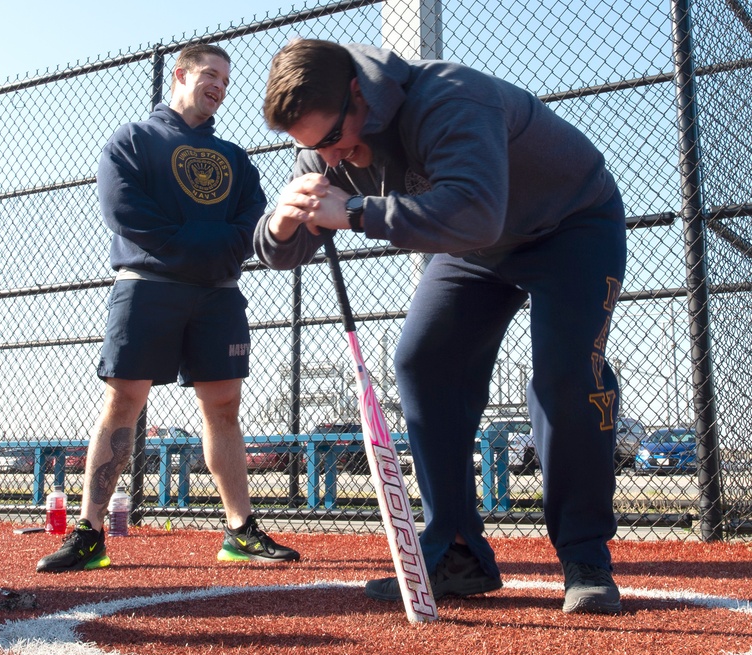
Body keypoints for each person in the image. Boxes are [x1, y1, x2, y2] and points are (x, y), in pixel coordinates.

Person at [254, 39, 625, 614]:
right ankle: (456, 552)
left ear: (360, 94)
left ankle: (585, 558)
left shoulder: (451, 97)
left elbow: (476, 210)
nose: (326, 159)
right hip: (476, 249)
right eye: (308, 148)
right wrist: (278, 226)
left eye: (331, 139)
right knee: (424, 362)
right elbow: (289, 247)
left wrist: (353, 213)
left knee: (565, 373)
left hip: (569, 223)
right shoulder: (324, 146)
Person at [38, 42, 299, 573]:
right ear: (180, 74)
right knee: (124, 403)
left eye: (226, 80)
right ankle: (89, 533)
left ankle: (239, 531)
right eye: (210, 75)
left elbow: (251, 219)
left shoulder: (235, 158)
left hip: (218, 293)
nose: (219, 87)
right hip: (148, 286)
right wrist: (201, 246)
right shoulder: (132, 140)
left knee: (224, 408)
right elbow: (125, 211)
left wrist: (213, 251)